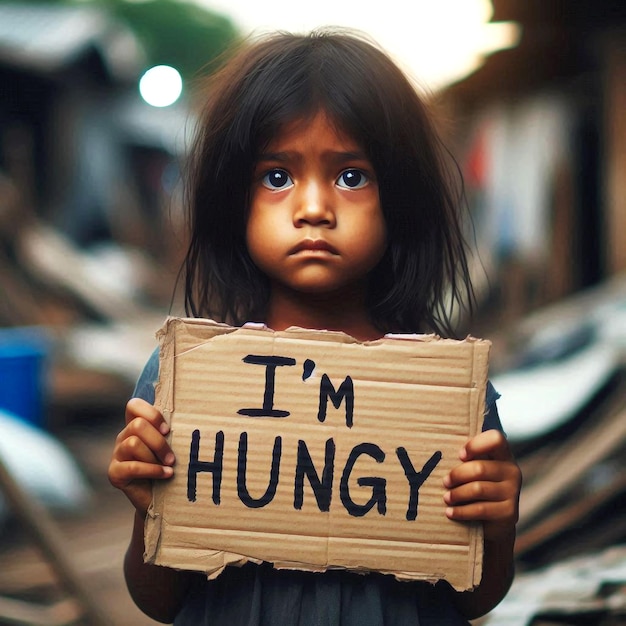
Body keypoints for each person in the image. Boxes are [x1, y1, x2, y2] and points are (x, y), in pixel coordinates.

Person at [108, 29, 522, 625]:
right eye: (277, 176)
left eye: (351, 176)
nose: (312, 208)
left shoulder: (446, 396)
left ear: (399, 197)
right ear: (234, 198)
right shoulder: (185, 382)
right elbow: (159, 602)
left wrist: (498, 526)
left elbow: (474, 599)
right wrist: (151, 511)